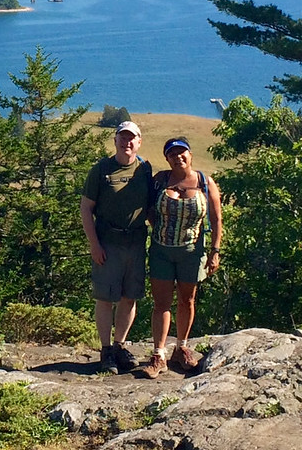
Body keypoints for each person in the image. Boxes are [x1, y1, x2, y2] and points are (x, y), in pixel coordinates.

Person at [139, 136, 222, 378]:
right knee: (161, 303)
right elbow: (147, 209)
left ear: (190, 154)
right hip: (161, 251)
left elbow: (216, 219)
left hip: (192, 252)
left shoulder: (205, 183)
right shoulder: (160, 181)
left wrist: (214, 251)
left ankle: (182, 347)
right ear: (166, 158)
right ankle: (158, 354)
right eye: (172, 154)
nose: (178, 157)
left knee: (187, 301)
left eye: (182, 152)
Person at [80, 120, 152, 374]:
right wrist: (94, 244)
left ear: (139, 142)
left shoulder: (145, 169)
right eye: (123, 137)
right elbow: (86, 208)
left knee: (129, 296)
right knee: (105, 298)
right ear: (115, 140)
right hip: (108, 243)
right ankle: (106, 349)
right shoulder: (101, 170)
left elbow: (150, 207)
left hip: (135, 243)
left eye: (132, 138)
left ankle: (120, 346)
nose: (127, 142)